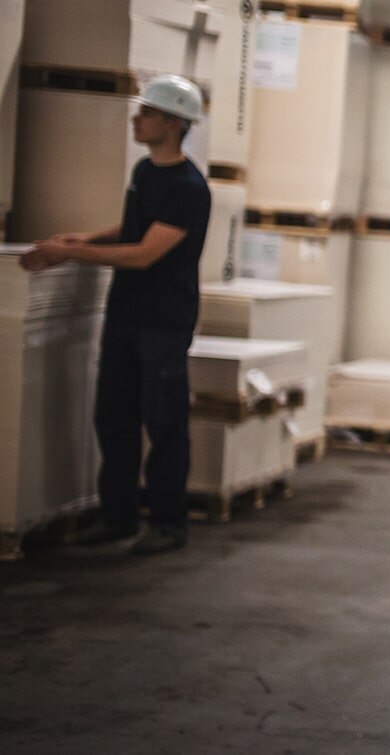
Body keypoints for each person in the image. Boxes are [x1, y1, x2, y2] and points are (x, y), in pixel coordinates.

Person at [20, 74, 212, 556]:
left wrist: (70, 256)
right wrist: (82, 239)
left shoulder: (189, 187)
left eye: (146, 113)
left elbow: (146, 253)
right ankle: (118, 516)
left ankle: (169, 523)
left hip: (163, 320)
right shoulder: (146, 173)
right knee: (114, 416)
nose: (136, 119)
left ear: (171, 123)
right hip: (125, 312)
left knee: (163, 421)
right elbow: (132, 229)